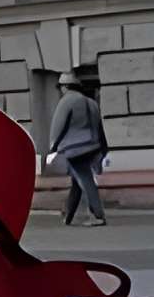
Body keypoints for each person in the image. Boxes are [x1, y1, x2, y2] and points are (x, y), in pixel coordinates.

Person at [46, 66, 109, 225]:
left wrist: (52, 148)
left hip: (75, 149)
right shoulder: (91, 102)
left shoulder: (66, 102)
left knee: (86, 181)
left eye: (60, 87)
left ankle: (98, 215)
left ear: (65, 87)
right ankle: (68, 214)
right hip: (93, 146)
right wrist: (103, 149)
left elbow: (58, 127)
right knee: (77, 181)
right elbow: (100, 128)